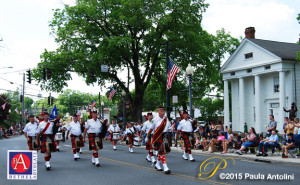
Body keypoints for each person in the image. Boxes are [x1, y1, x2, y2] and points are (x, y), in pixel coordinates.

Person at [146, 106, 171, 174]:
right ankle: (165, 167)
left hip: (165, 136)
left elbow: (169, 126)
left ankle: (157, 164)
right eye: (161, 111)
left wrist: (171, 128)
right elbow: (151, 129)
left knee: (160, 151)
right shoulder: (155, 119)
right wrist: (147, 136)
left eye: (163, 111)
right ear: (158, 112)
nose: (163, 112)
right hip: (158, 137)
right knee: (162, 151)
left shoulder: (166, 118)